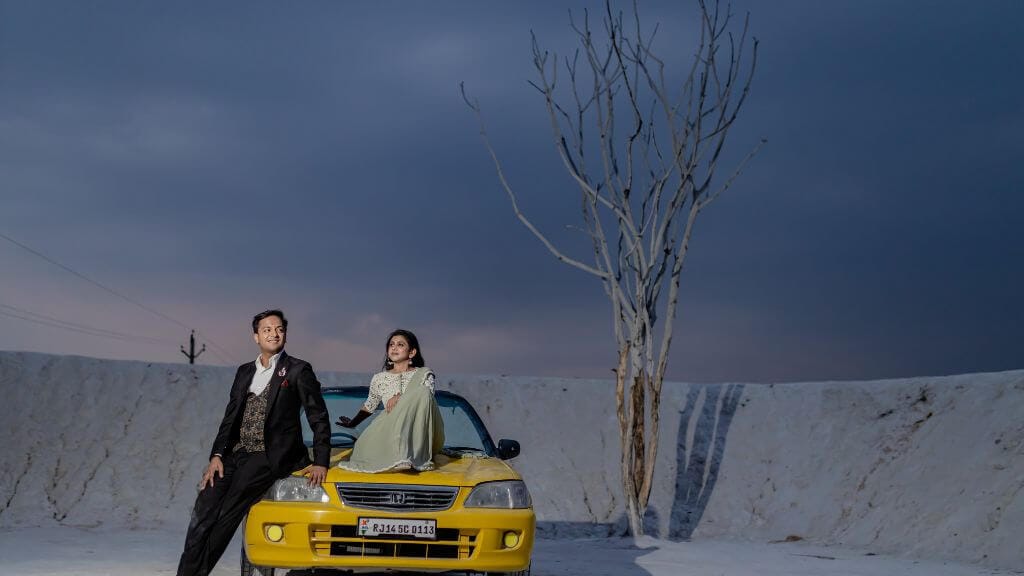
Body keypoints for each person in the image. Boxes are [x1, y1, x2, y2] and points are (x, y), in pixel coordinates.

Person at [176, 309, 330, 576]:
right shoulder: (244, 371)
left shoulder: (297, 370)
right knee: (202, 513)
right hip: (236, 454)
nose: (274, 333)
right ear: (256, 336)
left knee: (227, 513)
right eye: (267, 329)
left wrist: (321, 461)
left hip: (270, 456)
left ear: (285, 334)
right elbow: (230, 416)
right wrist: (216, 456)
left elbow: (318, 416)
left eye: (279, 328)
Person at [335, 329, 445, 472]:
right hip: (386, 430)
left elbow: (426, 399)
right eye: (391, 344)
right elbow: (370, 405)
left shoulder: (424, 375)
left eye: (400, 344)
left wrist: (399, 397)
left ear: (412, 352)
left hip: (416, 435)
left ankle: (408, 455)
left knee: (423, 392)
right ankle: (393, 455)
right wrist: (352, 423)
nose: (394, 347)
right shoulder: (379, 378)